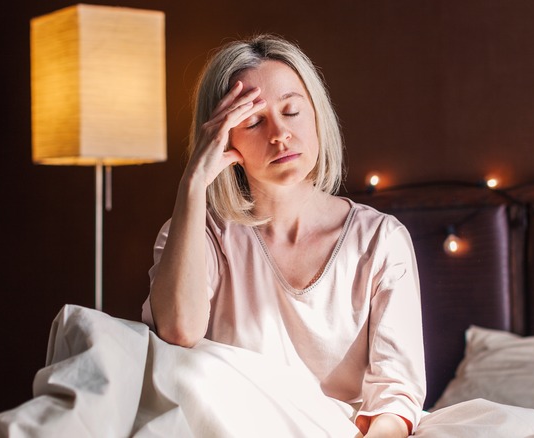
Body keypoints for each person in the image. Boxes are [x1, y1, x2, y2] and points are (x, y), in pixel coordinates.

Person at [142, 34, 425, 437]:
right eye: (254, 121)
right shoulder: (198, 234)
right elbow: (178, 332)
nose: (279, 134)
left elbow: (396, 397)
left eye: (291, 111)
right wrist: (194, 183)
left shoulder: (380, 240)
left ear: (317, 115)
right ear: (221, 137)